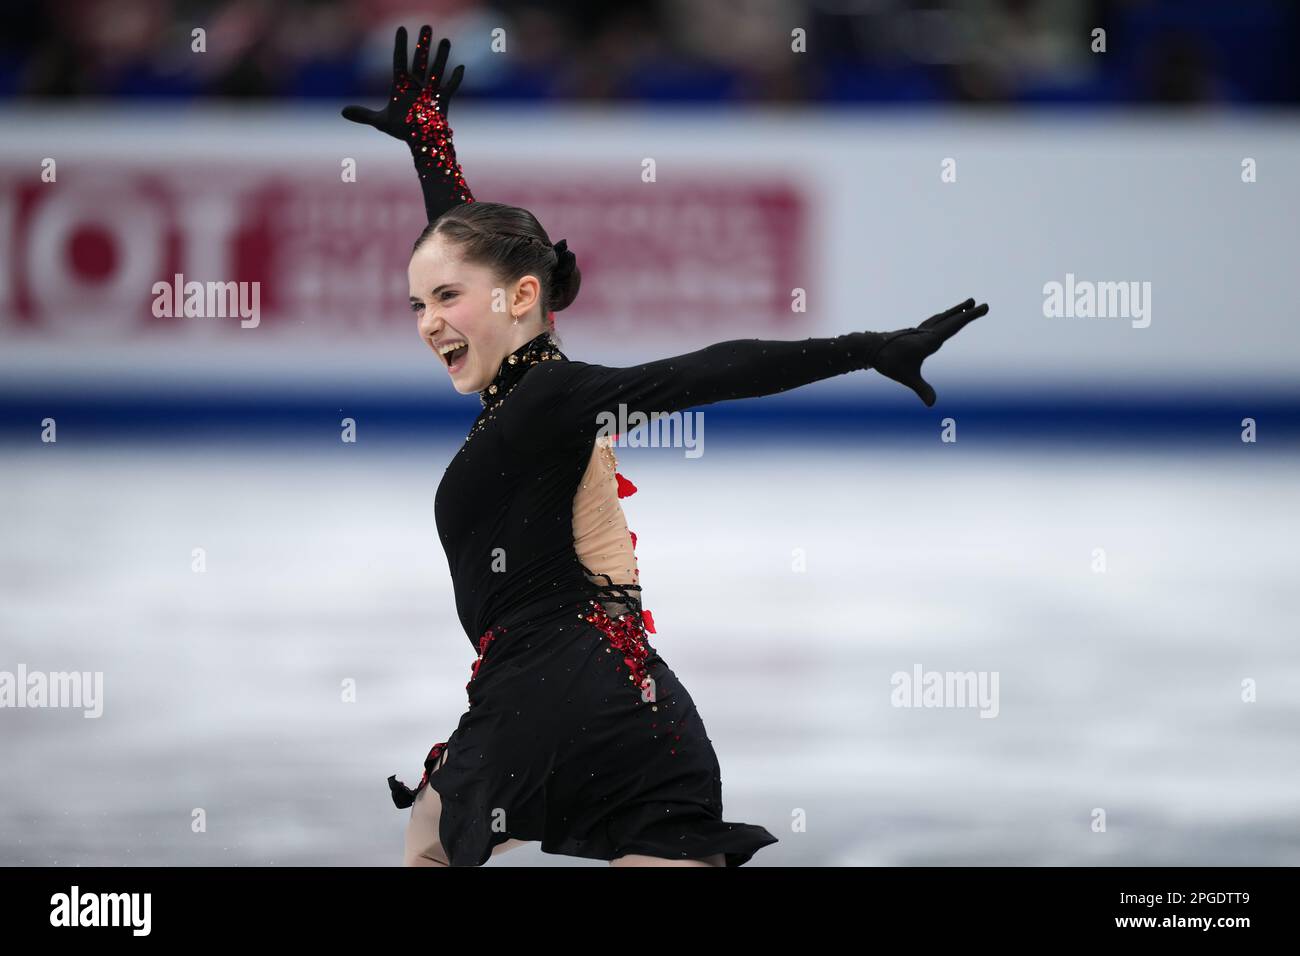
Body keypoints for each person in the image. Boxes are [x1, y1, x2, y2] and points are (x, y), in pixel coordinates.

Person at [344, 25, 988, 867]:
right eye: (417, 304)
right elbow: (474, 257)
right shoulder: (530, 390)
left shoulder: (550, 400)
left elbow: (713, 369)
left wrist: (868, 345)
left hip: (548, 677)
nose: (429, 323)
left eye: (445, 300)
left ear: (520, 298)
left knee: (431, 836)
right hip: (638, 694)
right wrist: (431, 144)